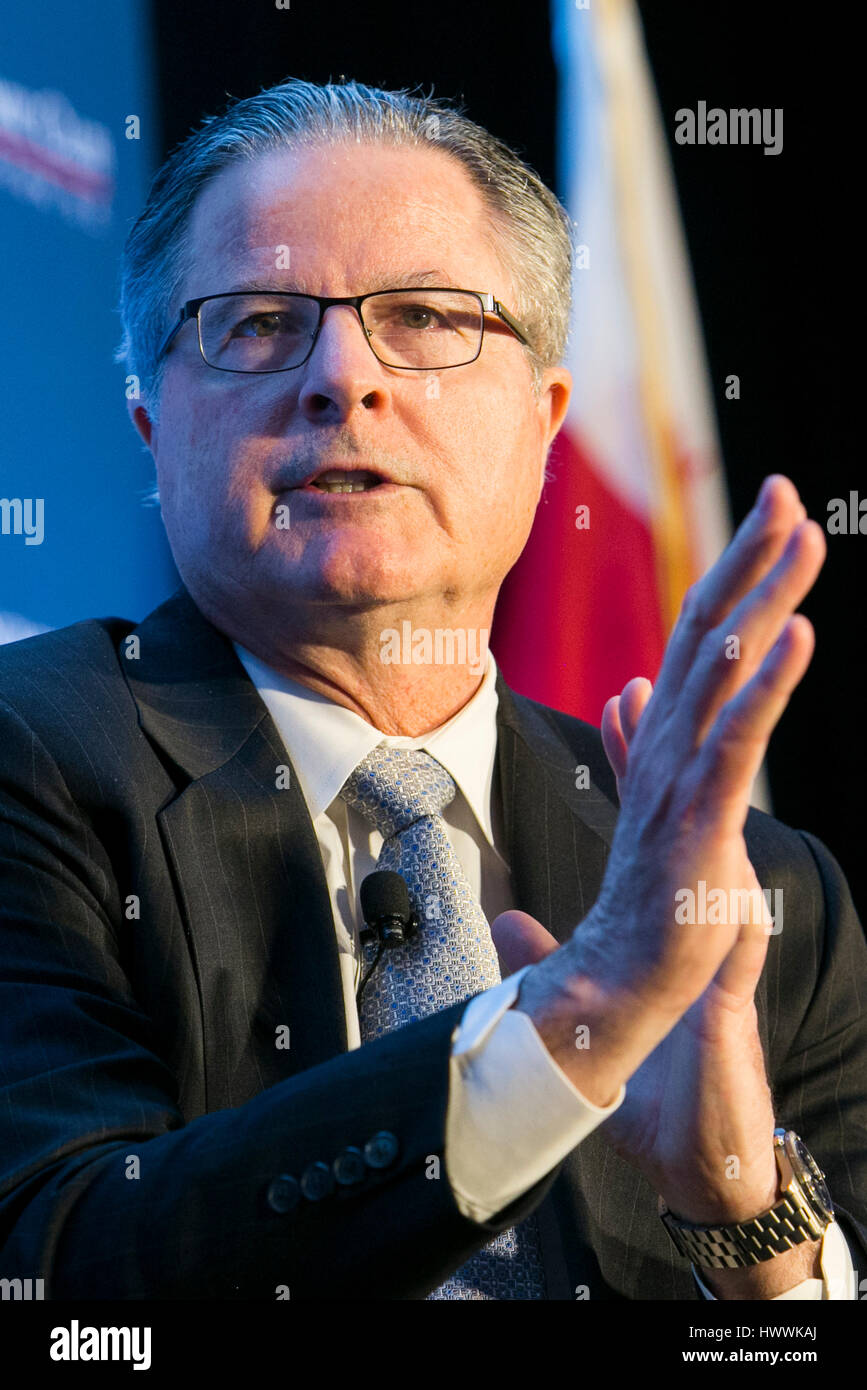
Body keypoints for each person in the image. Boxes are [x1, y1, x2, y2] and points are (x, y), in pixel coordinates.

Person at [0, 78, 864, 1302]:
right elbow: (54, 1272)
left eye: (423, 315)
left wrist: (742, 1211)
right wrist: (580, 1013)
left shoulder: (765, 898)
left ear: (544, 419)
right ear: (151, 422)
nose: (344, 377)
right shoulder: (31, 755)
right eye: (256, 322)